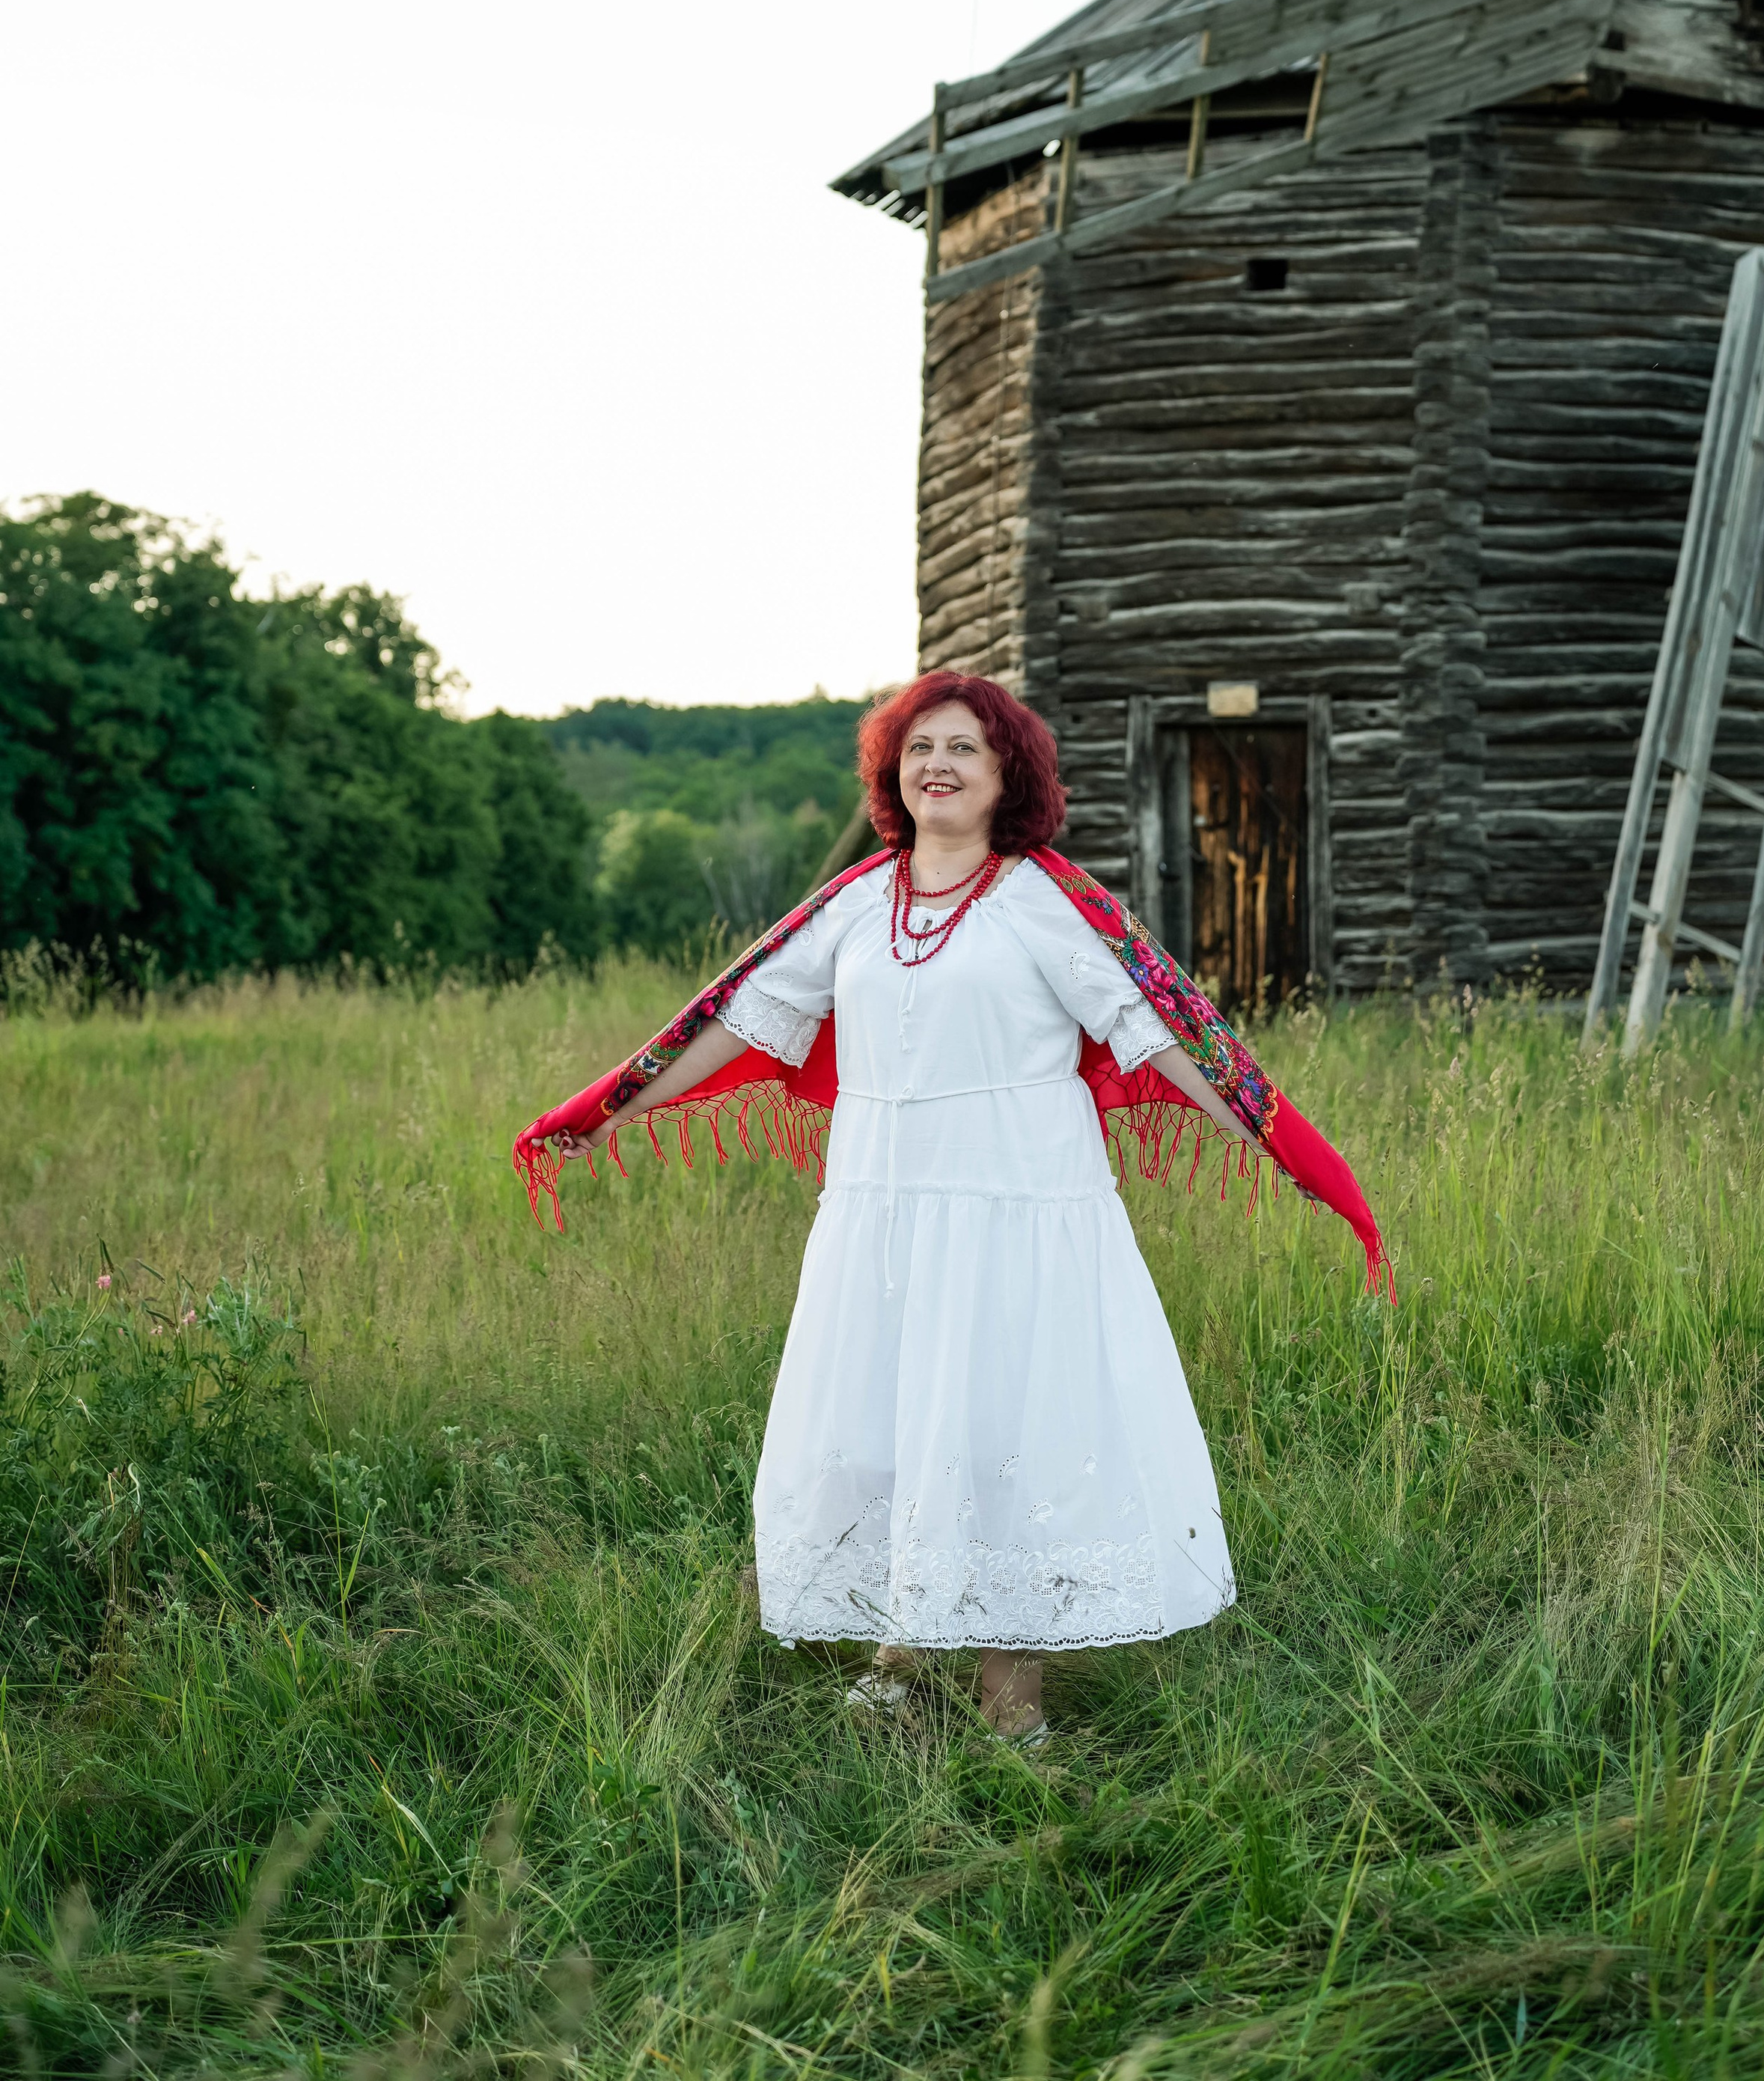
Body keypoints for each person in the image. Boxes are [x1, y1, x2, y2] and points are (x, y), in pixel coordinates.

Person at [515, 672, 1385, 1746]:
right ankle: (898, 1653)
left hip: (1017, 1207)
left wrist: (1263, 1135)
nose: (939, 764)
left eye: (966, 749)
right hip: (882, 1206)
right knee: (887, 1427)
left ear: (1007, 775)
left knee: (993, 1432)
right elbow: (744, 1020)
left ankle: (1008, 1697)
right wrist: (610, 1108)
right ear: (893, 771)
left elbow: (1153, 1030)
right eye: (920, 746)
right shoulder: (853, 906)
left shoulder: (1046, 901)